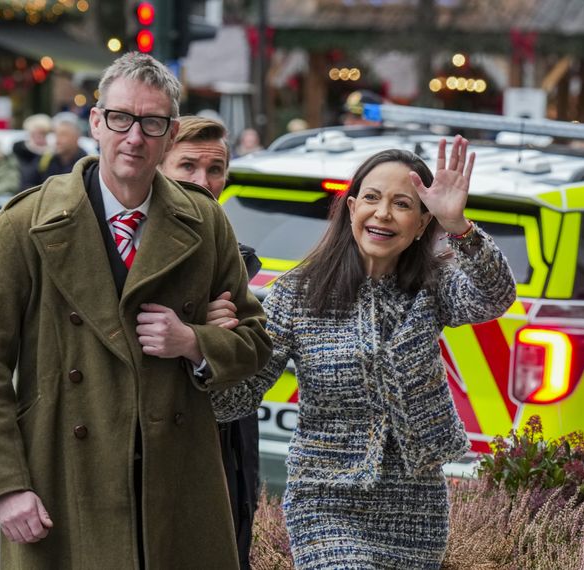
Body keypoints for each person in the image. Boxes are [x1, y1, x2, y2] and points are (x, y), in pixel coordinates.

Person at [0, 52, 272, 569]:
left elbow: (255, 343)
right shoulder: (27, 222)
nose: (134, 137)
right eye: (121, 118)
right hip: (62, 478)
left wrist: (192, 342)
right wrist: (6, 485)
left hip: (177, 486)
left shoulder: (206, 223)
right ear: (97, 122)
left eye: (152, 123)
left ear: (170, 135)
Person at [211, 138, 516, 568]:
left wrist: (459, 227)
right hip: (325, 499)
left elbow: (495, 295)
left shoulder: (434, 287)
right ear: (352, 208)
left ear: (422, 222)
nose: (383, 213)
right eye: (371, 198)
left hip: (416, 508)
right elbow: (242, 392)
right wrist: (208, 350)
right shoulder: (296, 294)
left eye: (402, 204)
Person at [158, 115, 262, 570]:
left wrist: (212, 345)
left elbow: (254, 357)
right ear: (158, 166)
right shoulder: (127, 246)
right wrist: (202, 330)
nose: (204, 181)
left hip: (226, 447)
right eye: (187, 167)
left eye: (215, 170)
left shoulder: (233, 259)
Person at [22, 111, 88, 188]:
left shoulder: (86, 164)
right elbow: (26, 184)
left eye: (63, 134)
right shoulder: (46, 159)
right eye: (56, 134)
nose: (58, 140)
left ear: (77, 136)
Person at [12, 113, 52, 188]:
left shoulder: (51, 153)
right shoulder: (19, 148)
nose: (38, 136)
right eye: (35, 133)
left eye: (42, 133)